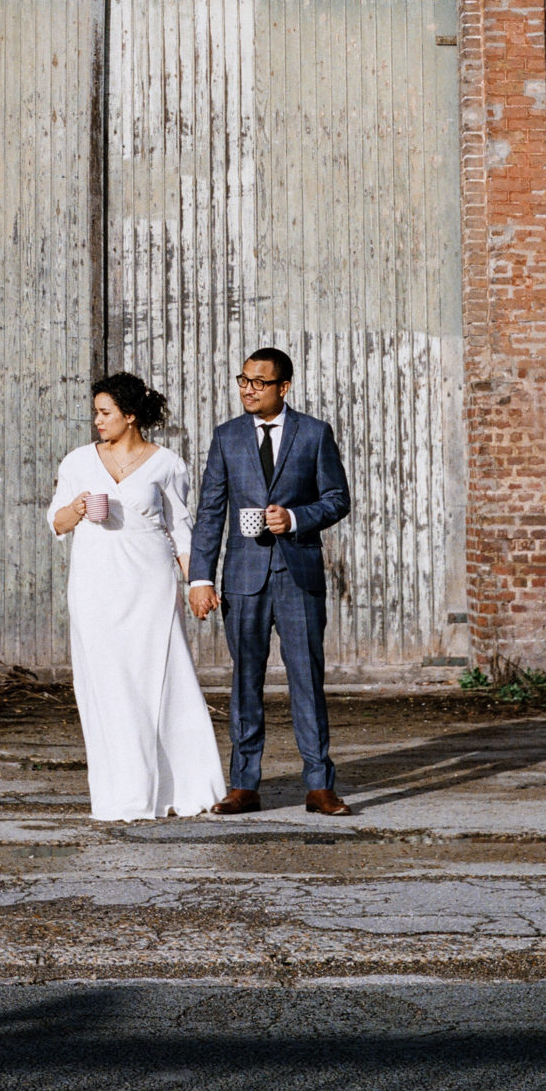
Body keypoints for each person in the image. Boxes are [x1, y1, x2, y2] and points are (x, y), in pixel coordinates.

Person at [48, 372, 227, 822]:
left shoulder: (168, 464)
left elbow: (181, 531)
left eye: (105, 413)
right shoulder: (77, 462)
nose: (97, 421)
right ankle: (125, 793)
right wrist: (78, 509)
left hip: (151, 585)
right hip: (95, 587)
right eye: (96, 413)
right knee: (108, 687)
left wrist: (198, 583)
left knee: (165, 681)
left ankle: (183, 789)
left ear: (131, 416)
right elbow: (56, 521)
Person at [187, 347, 353, 816]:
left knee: (307, 680)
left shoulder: (314, 434)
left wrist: (297, 518)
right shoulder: (226, 437)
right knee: (244, 683)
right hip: (243, 579)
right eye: (243, 380)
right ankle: (244, 784)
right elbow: (210, 513)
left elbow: (337, 499)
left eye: (259, 382)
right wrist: (201, 577)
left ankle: (320, 785)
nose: (248, 389)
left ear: (284, 387)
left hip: (298, 576)